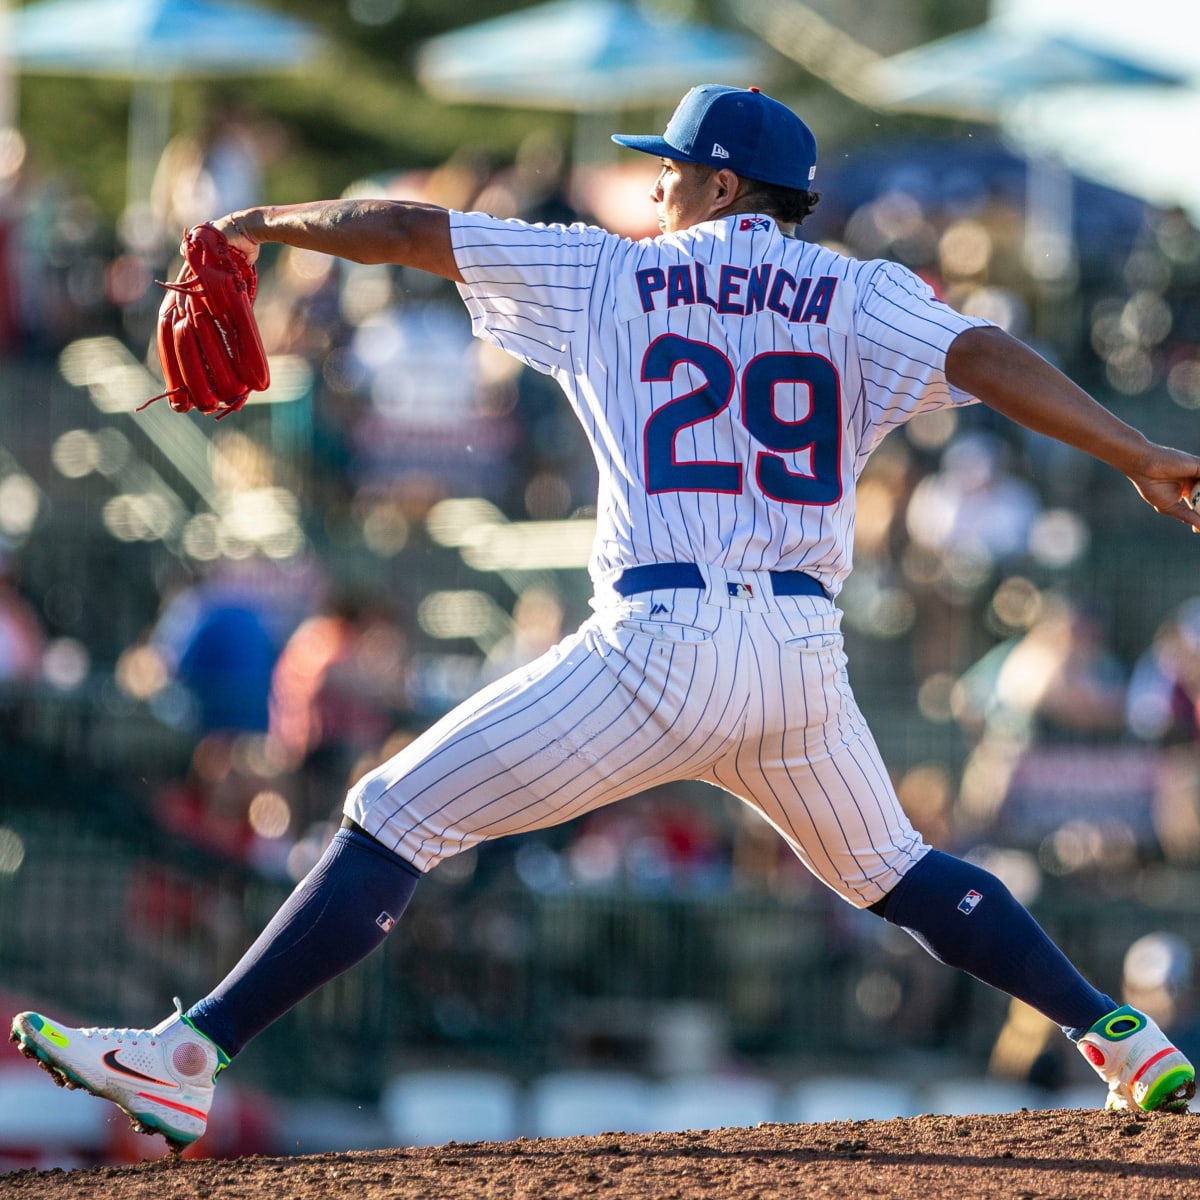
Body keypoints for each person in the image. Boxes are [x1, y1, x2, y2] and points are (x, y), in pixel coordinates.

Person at [11, 84, 1200, 1150]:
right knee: (894, 868)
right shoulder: (862, 290)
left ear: (723, 183)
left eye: (672, 167)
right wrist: (1136, 449)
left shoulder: (612, 270)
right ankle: (1122, 1037)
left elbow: (415, 233)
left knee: (395, 811)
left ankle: (188, 1055)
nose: (655, 181)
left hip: (662, 642)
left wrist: (261, 225)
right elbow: (988, 352)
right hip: (799, 655)